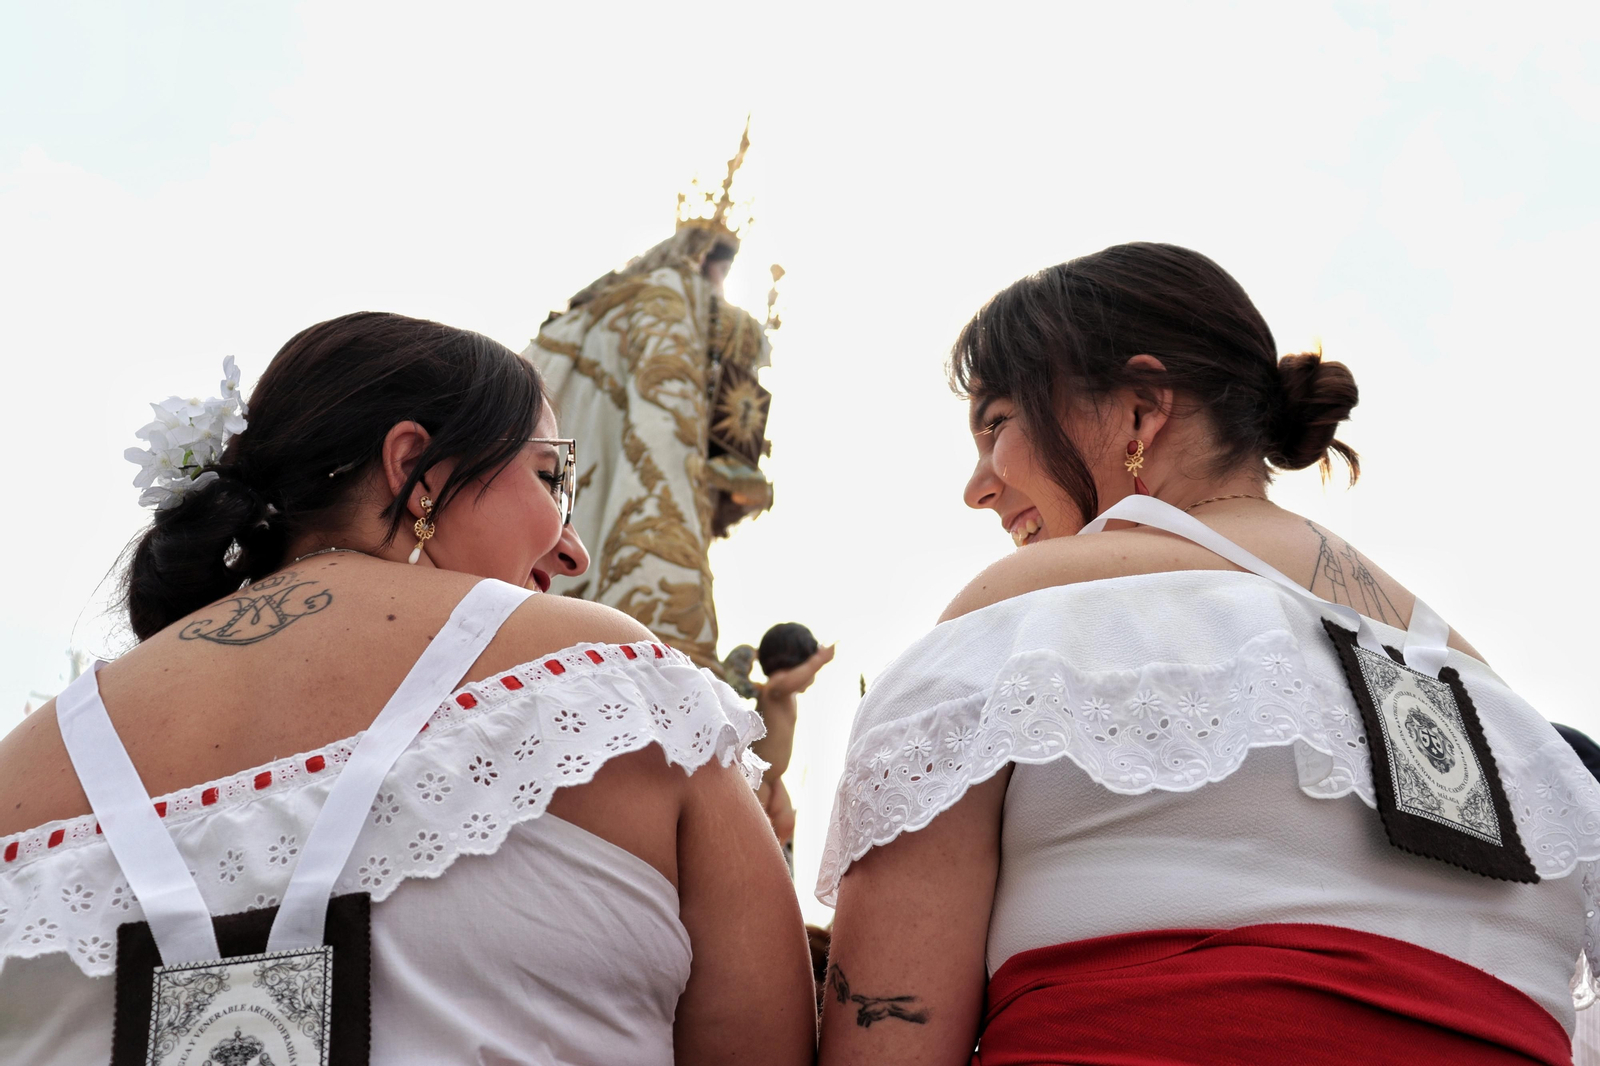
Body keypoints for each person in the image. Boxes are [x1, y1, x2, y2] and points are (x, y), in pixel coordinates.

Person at [815, 243, 1600, 1065]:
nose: (978, 485)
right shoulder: (1504, 709)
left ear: (1141, 409)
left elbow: (886, 1046)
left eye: (997, 424)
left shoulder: (1033, 609)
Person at [0, 312, 814, 1065]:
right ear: (415, 467)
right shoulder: (605, 685)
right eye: (552, 478)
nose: (574, 554)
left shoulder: (21, 771)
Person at [527, 124, 777, 674]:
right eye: (722, 265)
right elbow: (666, 409)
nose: (721, 278)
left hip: (559, 465)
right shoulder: (675, 296)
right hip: (630, 466)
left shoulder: (589, 309)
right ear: (708, 259)